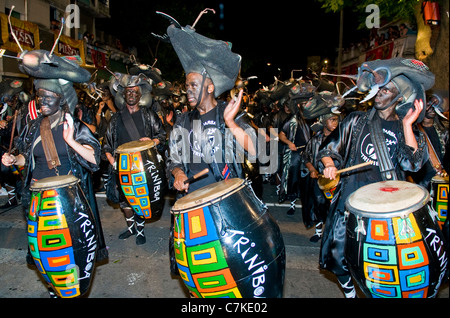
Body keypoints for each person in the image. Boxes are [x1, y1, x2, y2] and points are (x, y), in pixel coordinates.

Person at [317, 58, 434, 297]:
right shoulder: (355, 121)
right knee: (338, 258)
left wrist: (409, 123)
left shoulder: (405, 127)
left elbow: (412, 164)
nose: (378, 93)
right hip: (351, 202)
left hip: (388, 208)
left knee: (383, 268)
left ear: (399, 97)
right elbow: (329, 149)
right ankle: (349, 292)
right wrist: (328, 164)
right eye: (377, 88)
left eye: (385, 89)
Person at [2, 50, 109, 296]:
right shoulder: (32, 127)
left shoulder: (76, 126)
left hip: (69, 201)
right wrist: (13, 159)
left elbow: (95, 160)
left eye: (48, 98)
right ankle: (54, 289)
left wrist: (71, 141)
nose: (42, 103)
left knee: (73, 253)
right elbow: (26, 157)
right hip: (39, 200)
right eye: (40, 98)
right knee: (46, 254)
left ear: (61, 99)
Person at [103, 74, 166, 245]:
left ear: (140, 95)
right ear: (123, 95)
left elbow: (162, 135)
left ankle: (140, 230)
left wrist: (153, 141)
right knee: (125, 203)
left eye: (135, 92)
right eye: (128, 91)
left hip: (143, 167)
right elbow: (107, 146)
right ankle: (131, 228)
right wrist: (113, 163)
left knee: (140, 199)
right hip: (121, 168)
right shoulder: (115, 119)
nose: (131, 94)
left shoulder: (149, 115)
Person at [303, 113, 339, 242]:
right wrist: (312, 169)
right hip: (319, 180)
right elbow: (306, 157)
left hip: (337, 181)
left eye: (337, 120)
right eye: (332, 120)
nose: (335, 123)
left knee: (335, 208)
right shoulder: (315, 141)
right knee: (317, 204)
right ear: (324, 122)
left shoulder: (341, 141)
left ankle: (334, 234)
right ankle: (318, 232)